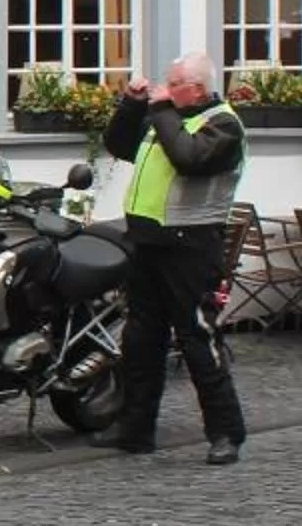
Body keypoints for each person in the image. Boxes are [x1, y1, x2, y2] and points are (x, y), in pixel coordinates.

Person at [97, 52, 248, 466]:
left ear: (196, 89)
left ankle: (226, 433)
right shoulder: (166, 120)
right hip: (148, 244)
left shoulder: (223, 125)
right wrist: (132, 106)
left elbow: (189, 158)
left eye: (174, 83)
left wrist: (161, 109)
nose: (165, 89)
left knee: (198, 339)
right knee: (140, 341)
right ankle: (135, 429)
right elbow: (119, 145)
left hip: (192, 248)